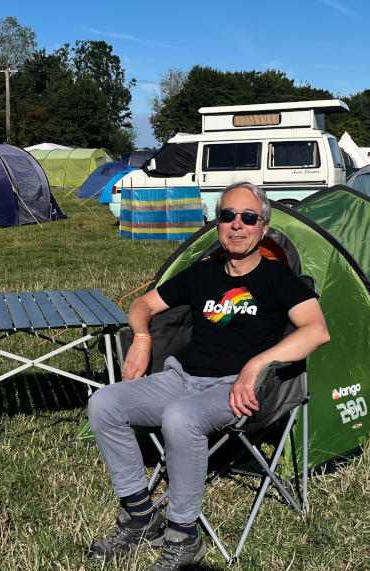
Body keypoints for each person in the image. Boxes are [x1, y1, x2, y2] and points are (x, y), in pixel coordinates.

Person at [87, 182, 330, 570]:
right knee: (104, 403)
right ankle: (140, 517)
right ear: (217, 224)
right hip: (181, 378)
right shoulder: (201, 274)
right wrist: (143, 338)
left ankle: (184, 537)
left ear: (263, 227)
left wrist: (255, 365)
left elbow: (316, 330)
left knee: (180, 417)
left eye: (248, 217)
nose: (237, 225)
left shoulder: (278, 279)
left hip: (239, 390)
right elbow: (141, 304)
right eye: (227, 216)